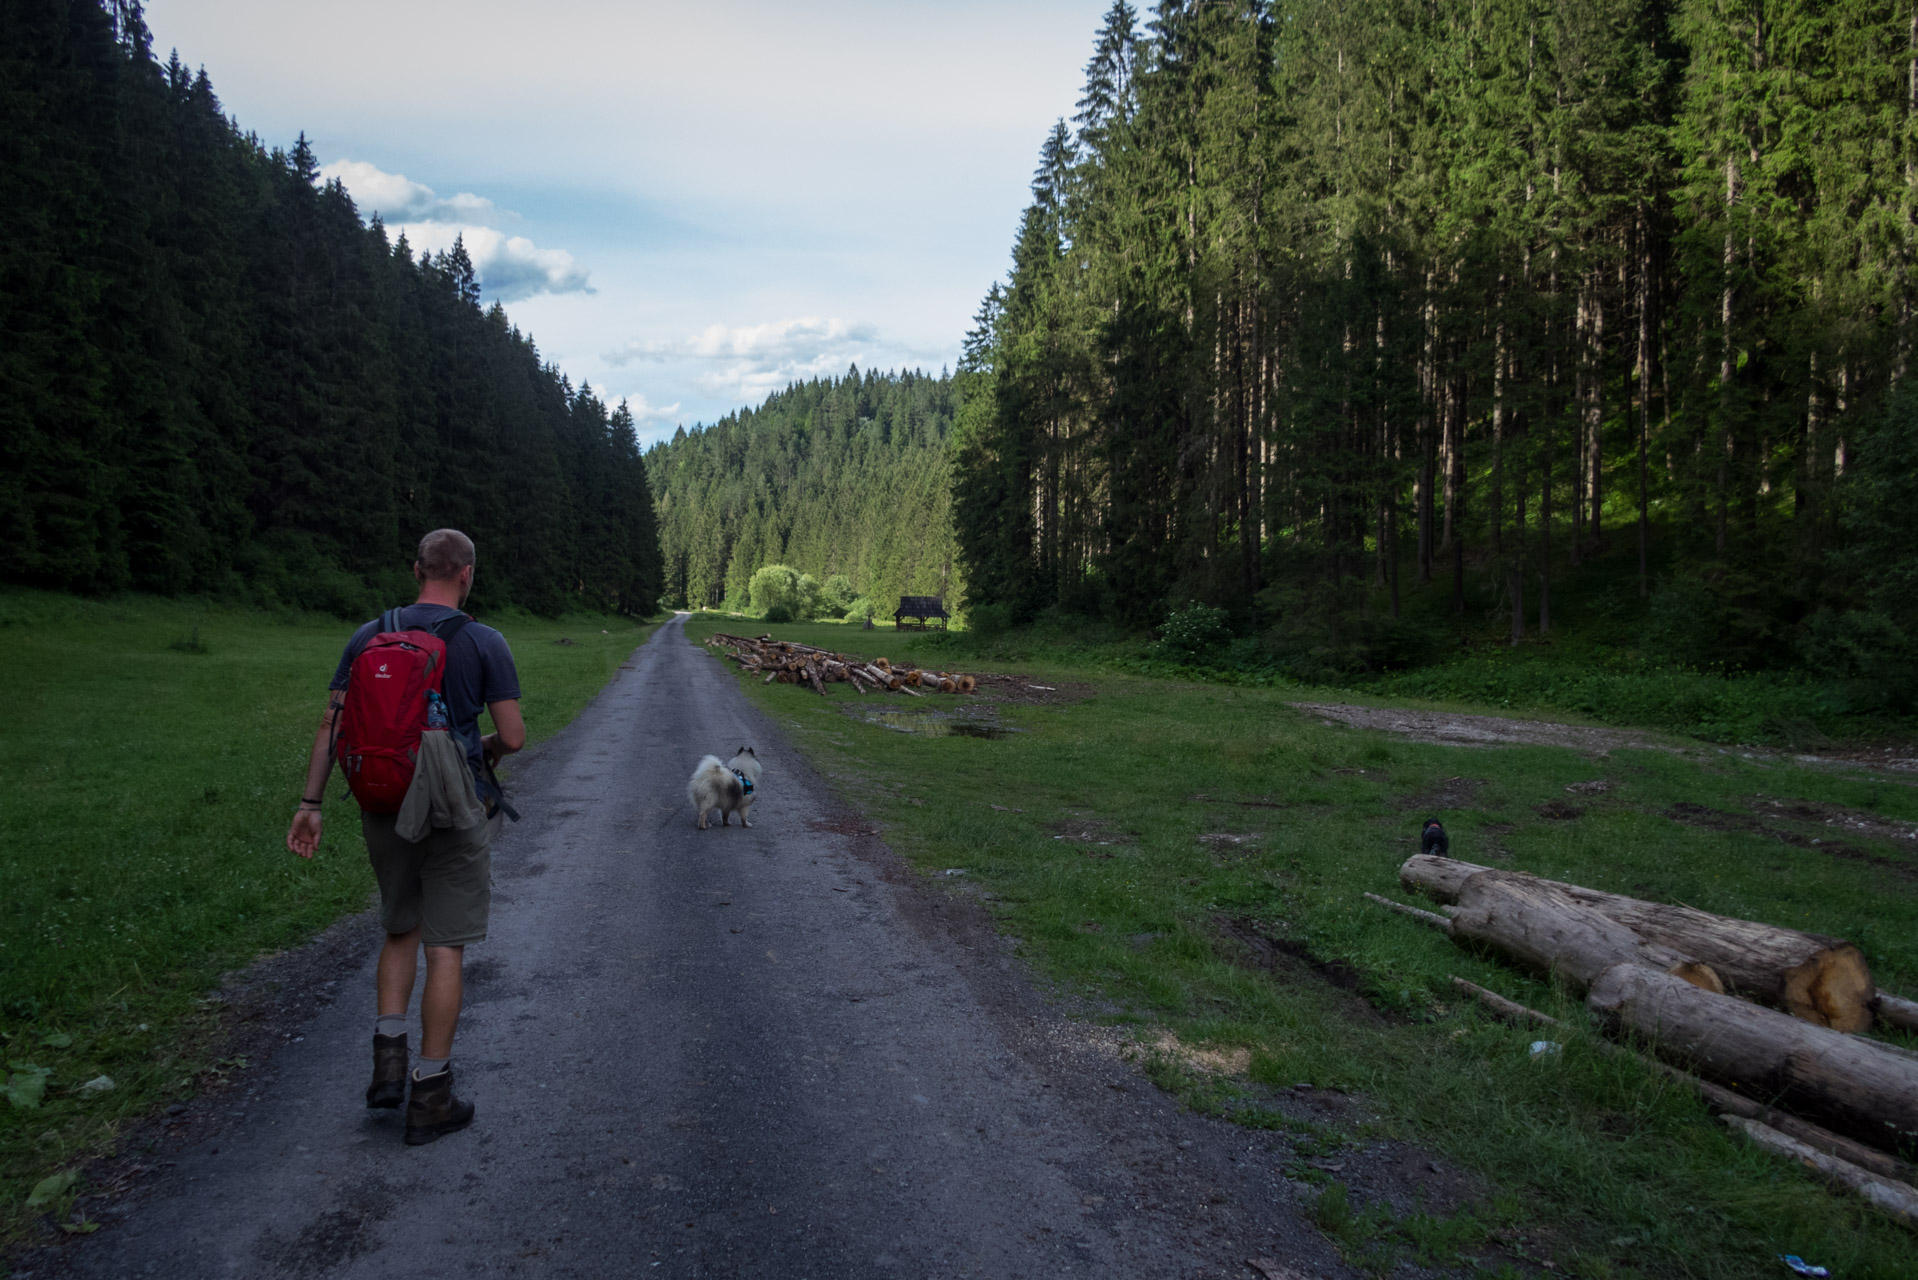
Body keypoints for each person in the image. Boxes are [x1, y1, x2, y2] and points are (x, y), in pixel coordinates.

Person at [285, 529, 524, 1146]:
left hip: (383, 798)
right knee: (445, 947)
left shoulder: (369, 635)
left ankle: (388, 1063)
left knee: (399, 927)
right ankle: (431, 1093)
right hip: (453, 804)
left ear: (417, 569)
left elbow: (332, 721)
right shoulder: (484, 640)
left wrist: (311, 803)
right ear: (467, 574)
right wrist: (482, 749)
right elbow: (515, 737)